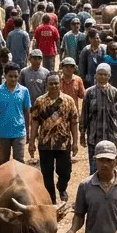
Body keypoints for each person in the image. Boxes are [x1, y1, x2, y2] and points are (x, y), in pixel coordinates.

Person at [28, 72, 79, 203]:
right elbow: (34, 122)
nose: (54, 86)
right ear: (46, 85)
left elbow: (74, 122)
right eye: (51, 83)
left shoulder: (69, 100)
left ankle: (62, 188)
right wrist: (32, 141)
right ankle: (51, 199)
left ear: (60, 84)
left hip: (63, 143)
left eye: (56, 83)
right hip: (45, 144)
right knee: (46, 173)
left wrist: (75, 143)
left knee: (65, 171)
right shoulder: (40, 101)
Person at [80, 65, 117, 174]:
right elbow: (84, 115)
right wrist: (82, 133)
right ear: (96, 76)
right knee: (94, 167)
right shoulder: (89, 93)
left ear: (109, 76)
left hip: (111, 136)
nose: (102, 77)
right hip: (94, 136)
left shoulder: (116, 93)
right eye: (100, 74)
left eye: (105, 75)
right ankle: (93, 189)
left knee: (110, 166)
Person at [0, 65, 32, 164]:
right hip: (2, 132)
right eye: (10, 76)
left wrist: (27, 130)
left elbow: (27, 111)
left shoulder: (24, 91)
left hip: (19, 132)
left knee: (19, 162)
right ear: (5, 76)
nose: (13, 79)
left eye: (15, 76)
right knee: (4, 162)